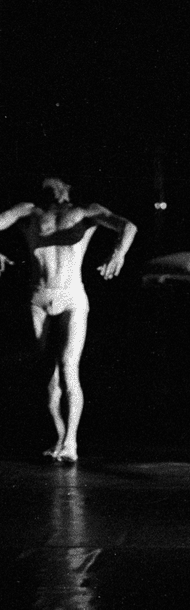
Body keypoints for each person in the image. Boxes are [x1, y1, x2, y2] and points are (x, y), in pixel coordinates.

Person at [0, 178, 136, 463]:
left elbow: (128, 226)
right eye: (47, 185)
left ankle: (71, 442)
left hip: (72, 297)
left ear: (68, 188)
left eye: (58, 185)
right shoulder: (30, 211)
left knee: (68, 367)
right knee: (48, 375)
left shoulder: (86, 212)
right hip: (39, 297)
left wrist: (118, 254)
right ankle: (59, 438)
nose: (53, 188)